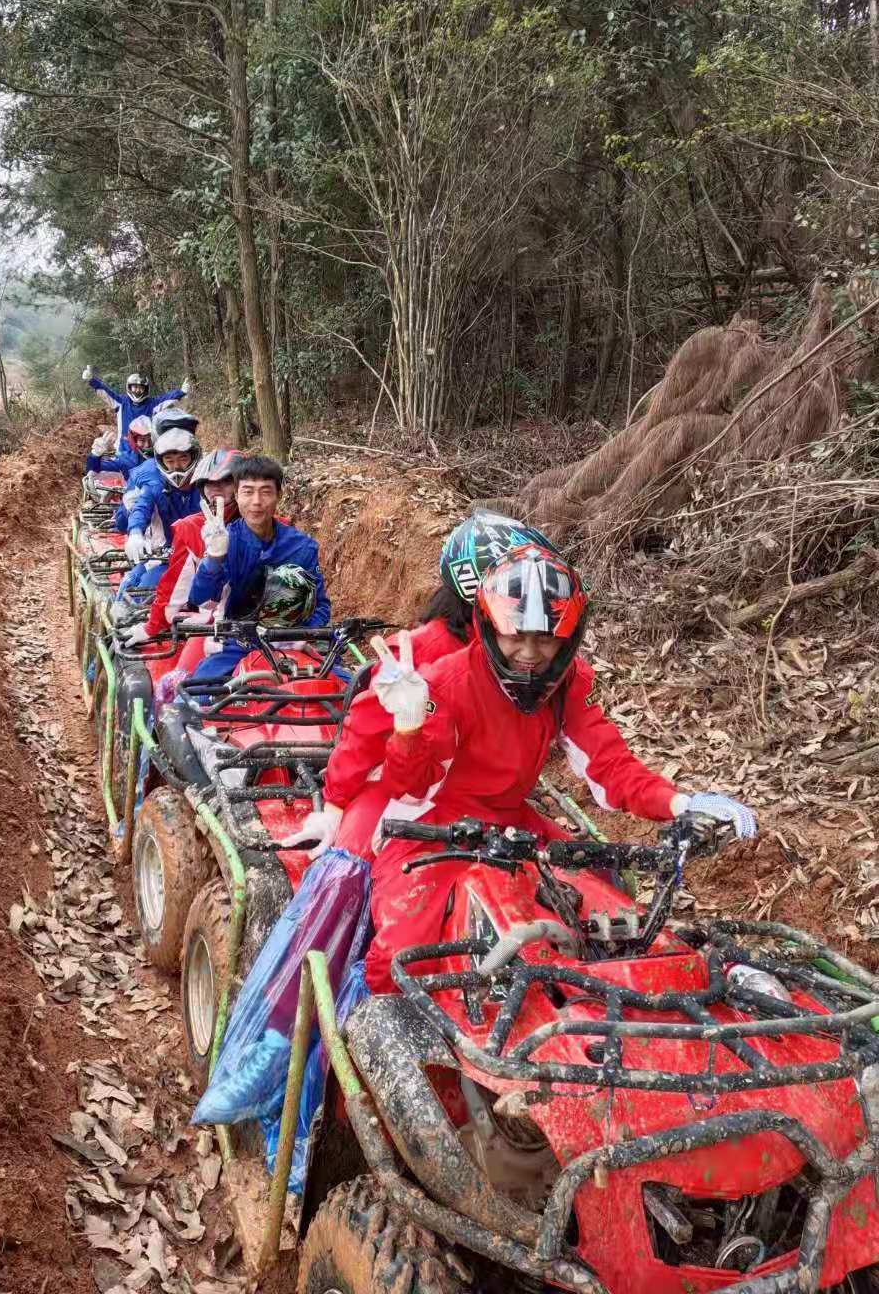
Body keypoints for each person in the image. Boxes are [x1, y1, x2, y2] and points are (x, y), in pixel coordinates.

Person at [194, 534, 758, 1130]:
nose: (531, 655)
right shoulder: (437, 672)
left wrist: (679, 801)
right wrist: (390, 745)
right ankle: (337, 1067)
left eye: (546, 639)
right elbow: (411, 781)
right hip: (432, 821)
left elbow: (608, 764)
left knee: (604, 901)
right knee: (400, 949)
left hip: (513, 817)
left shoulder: (567, 685)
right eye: (519, 636)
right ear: (487, 622)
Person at [293, 511, 562, 859]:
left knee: (587, 872)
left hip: (490, 800)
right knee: (348, 867)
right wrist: (335, 805)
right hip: (406, 792)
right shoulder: (420, 651)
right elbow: (364, 733)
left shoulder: (530, 658)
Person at [182, 455, 331, 687]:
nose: (256, 502)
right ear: (237, 495)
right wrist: (214, 558)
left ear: (279, 495)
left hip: (290, 640)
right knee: (198, 693)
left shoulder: (302, 546)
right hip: (238, 642)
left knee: (344, 688)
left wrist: (304, 634)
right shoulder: (225, 539)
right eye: (248, 492)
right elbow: (201, 598)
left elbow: (320, 605)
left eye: (266, 491)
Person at [120, 448, 243, 645]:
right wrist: (134, 530)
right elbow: (174, 585)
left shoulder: (269, 525)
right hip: (159, 557)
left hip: (260, 624)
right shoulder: (154, 486)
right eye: (209, 483)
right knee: (129, 587)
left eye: (225, 482)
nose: (216, 489)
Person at [123, 409, 203, 561]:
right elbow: (142, 506)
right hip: (166, 556)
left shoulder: (206, 480)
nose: (177, 466)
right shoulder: (154, 480)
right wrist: (135, 532)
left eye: (183, 458)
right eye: (170, 460)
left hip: (202, 554)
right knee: (136, 581)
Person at [81, 366, 188, 454]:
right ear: (129, 387)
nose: (137, 390)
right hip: (124, 449)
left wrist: (182, 392)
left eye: (141, 387)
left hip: (146, 448)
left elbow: (167, 398)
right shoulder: (121, 402)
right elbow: (106, 392)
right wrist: (92, 380)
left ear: (145, 389)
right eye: (134, 387)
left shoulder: (153, 403)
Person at [85, 414, 152, 477]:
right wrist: (95, 455)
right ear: (134, 441)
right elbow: (93, 471)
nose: (147, 445)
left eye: (151, 439)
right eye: (142, 440)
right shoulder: (127, 460)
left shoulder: (161, 455)